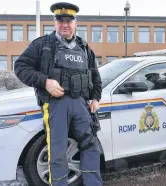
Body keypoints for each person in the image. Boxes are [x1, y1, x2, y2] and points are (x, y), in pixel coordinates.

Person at [14, 2, 103, 186]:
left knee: (91, 146)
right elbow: (20, 67)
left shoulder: (85, 48)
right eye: (60, 20)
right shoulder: (42, 45)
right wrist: (44, 81)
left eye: (69, 20)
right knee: (58, 152)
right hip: (55, 105)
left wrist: (95, 97)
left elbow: (95, 75)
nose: (65, 24)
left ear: (76, 23)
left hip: (81, 104)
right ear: (54, 22)